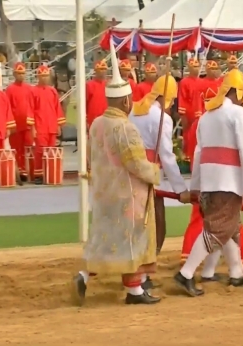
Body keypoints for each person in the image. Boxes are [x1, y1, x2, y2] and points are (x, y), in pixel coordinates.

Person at [71, 42, 162, 306]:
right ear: (125, 100)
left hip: (103, 193)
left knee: (105, 238)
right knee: (130, 240)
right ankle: (134, 292)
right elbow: (136, 163)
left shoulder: (97, 124)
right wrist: (154, 173)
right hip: (127, 194)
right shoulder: (125, 128)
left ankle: (84, 275)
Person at [174, 68, 243, 297]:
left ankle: (236, 272)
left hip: (210, 182)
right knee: (217, 229)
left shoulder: (206, 116)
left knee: (228, 227)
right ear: (237, 92)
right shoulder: (237, 114)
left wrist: (196, 185)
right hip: (228, 182)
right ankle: (186, 273)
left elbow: (199, 153)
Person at [130, 73, 191, 280]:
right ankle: (142, 277)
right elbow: (166, 155)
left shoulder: (135, 110)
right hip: (148, 175)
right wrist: (181, 189)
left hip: (130, 173)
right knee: (156, 227)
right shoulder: (161, 118)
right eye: (172, 100)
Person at [31, 65, 65, 185]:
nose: (45, 78)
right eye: (42, 76)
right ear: (38, 77)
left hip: (51, 126)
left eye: (46, 76)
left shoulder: (52, 91)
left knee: (51, 151)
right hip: (40, 126)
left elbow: (57, 109)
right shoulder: (33, 91)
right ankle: (38, 175)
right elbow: (30, 110)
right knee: (40, 151)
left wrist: (59, 125)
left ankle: (50, 172)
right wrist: (33, 127)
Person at [6, 62, 35, 182]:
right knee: (16, 148)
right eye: (19, 73)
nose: (21, 76)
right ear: (14, 74)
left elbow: (33, 107)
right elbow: (7, 108)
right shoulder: (10, 89)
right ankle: (19, 172)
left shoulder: (29, 89)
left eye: (23, 73)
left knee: (28, 148)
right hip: (16, 125)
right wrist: (10, 124)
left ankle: (29, 171)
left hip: (28, 124)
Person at [177, 57, 202, 157]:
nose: (196, 69)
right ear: (189, 68)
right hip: (189, 116)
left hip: (201, 114)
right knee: (189, 137)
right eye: (193, 67)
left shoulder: (202, 82)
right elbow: (182, 99)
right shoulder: (184, 82)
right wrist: (183, 116)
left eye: (197, 66)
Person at [85, 60, 108, 130]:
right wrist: (85, 120)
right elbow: (84, 104)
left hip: (107, 118)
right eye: (101, 69)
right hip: (93, 119)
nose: (103, 71)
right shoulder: (89, 85)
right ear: (96, 71)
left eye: (104, 69)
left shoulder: (109, 84)